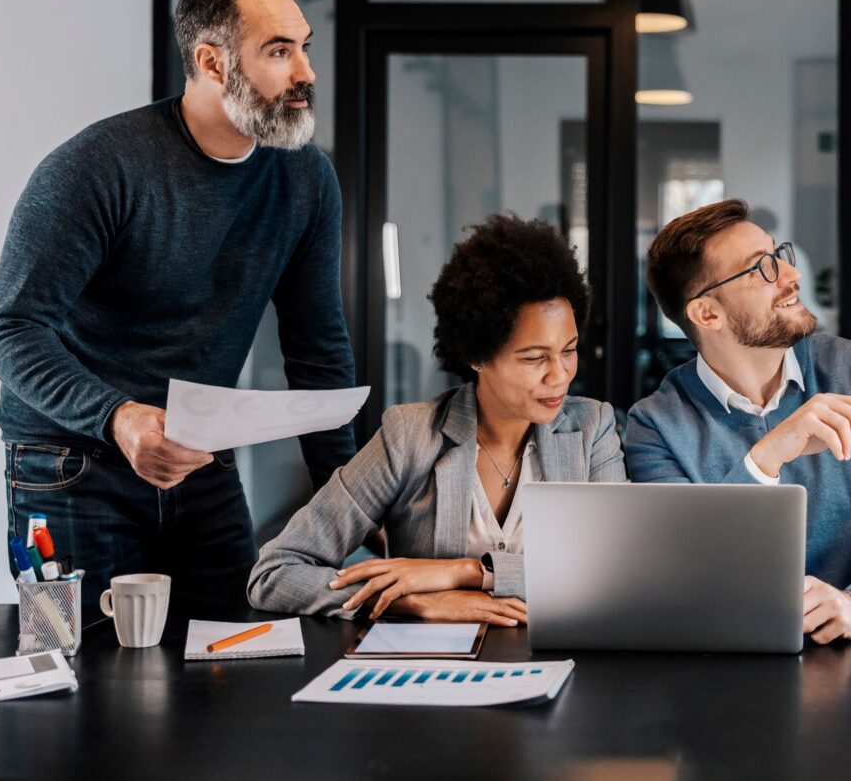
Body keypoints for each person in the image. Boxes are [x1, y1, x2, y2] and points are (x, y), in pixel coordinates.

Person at [0, 0, 356, 615]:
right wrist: (118, 416)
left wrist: (350, 500)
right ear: (214, 63)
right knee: (83, 684)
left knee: (227, 666)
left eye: (303, 47)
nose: (306, 72)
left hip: (200, 461)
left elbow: (317, 349)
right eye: (278, 51)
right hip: (69, 464)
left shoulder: (305, 181)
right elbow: (11, 330)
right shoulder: (97, 168)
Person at [248, 214, 626, 625]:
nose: (560, 375)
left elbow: (616, 573)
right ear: (477, 355)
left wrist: (470, 573)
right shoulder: (409, 436)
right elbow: (275, 574)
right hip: (433, 669)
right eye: (534, 357)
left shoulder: (591, 429)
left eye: (568, 350)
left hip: (555, 663)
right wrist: (407, 601)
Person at [624, 200, 851, 644]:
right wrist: (767, 457)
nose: (791, 275)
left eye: (779, 256)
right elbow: (685, 572)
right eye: (761, 269)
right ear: (707, 313)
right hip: (723, 658)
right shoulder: (655, 426)